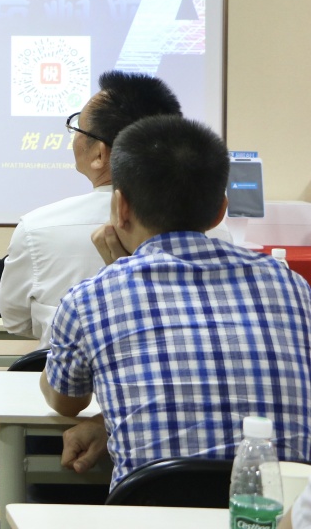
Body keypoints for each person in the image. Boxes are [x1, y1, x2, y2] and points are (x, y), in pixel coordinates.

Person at [40, 115, 311, 489]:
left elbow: (64, 401)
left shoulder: (92, 298)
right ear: (220, 210)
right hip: (278, 513)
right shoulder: (292, 286)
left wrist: (120, 272)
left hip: (148, 511)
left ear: (121, 207)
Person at [0, 70, 182, 345]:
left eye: (78, 128)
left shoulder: (38, 228)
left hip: (64, 384)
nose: (73, 137)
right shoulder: (214, 231)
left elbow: (15, 320)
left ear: (99, 154)